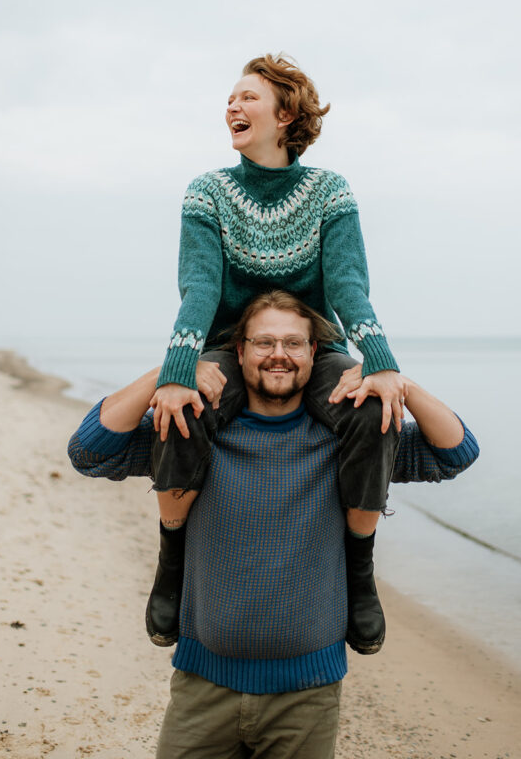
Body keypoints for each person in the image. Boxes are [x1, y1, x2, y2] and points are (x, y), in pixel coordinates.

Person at [68, 291, 479, 759]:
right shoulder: (194, 427)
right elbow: (89, 451)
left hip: (308, 693)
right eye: (264, 343)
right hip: (202, 687)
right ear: (238, 352)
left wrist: (395, 381)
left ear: (314, 354)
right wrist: (170, 373)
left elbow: (455, 453)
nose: (278, 355)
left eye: (293, 343)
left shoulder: (345, 440)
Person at [147, 53, 405, 654]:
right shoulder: (207, 191)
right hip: (229, 348)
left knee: (373, 410)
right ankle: (171, 557)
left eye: (247, 98)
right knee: (179, 407)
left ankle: (360, 573)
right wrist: (178, 371)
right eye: (230, 99)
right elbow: (201, 287)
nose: (232, 107)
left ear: (286, 113)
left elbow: (346, 286)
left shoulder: (329, 190)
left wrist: (382, 363)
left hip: (314, 346)